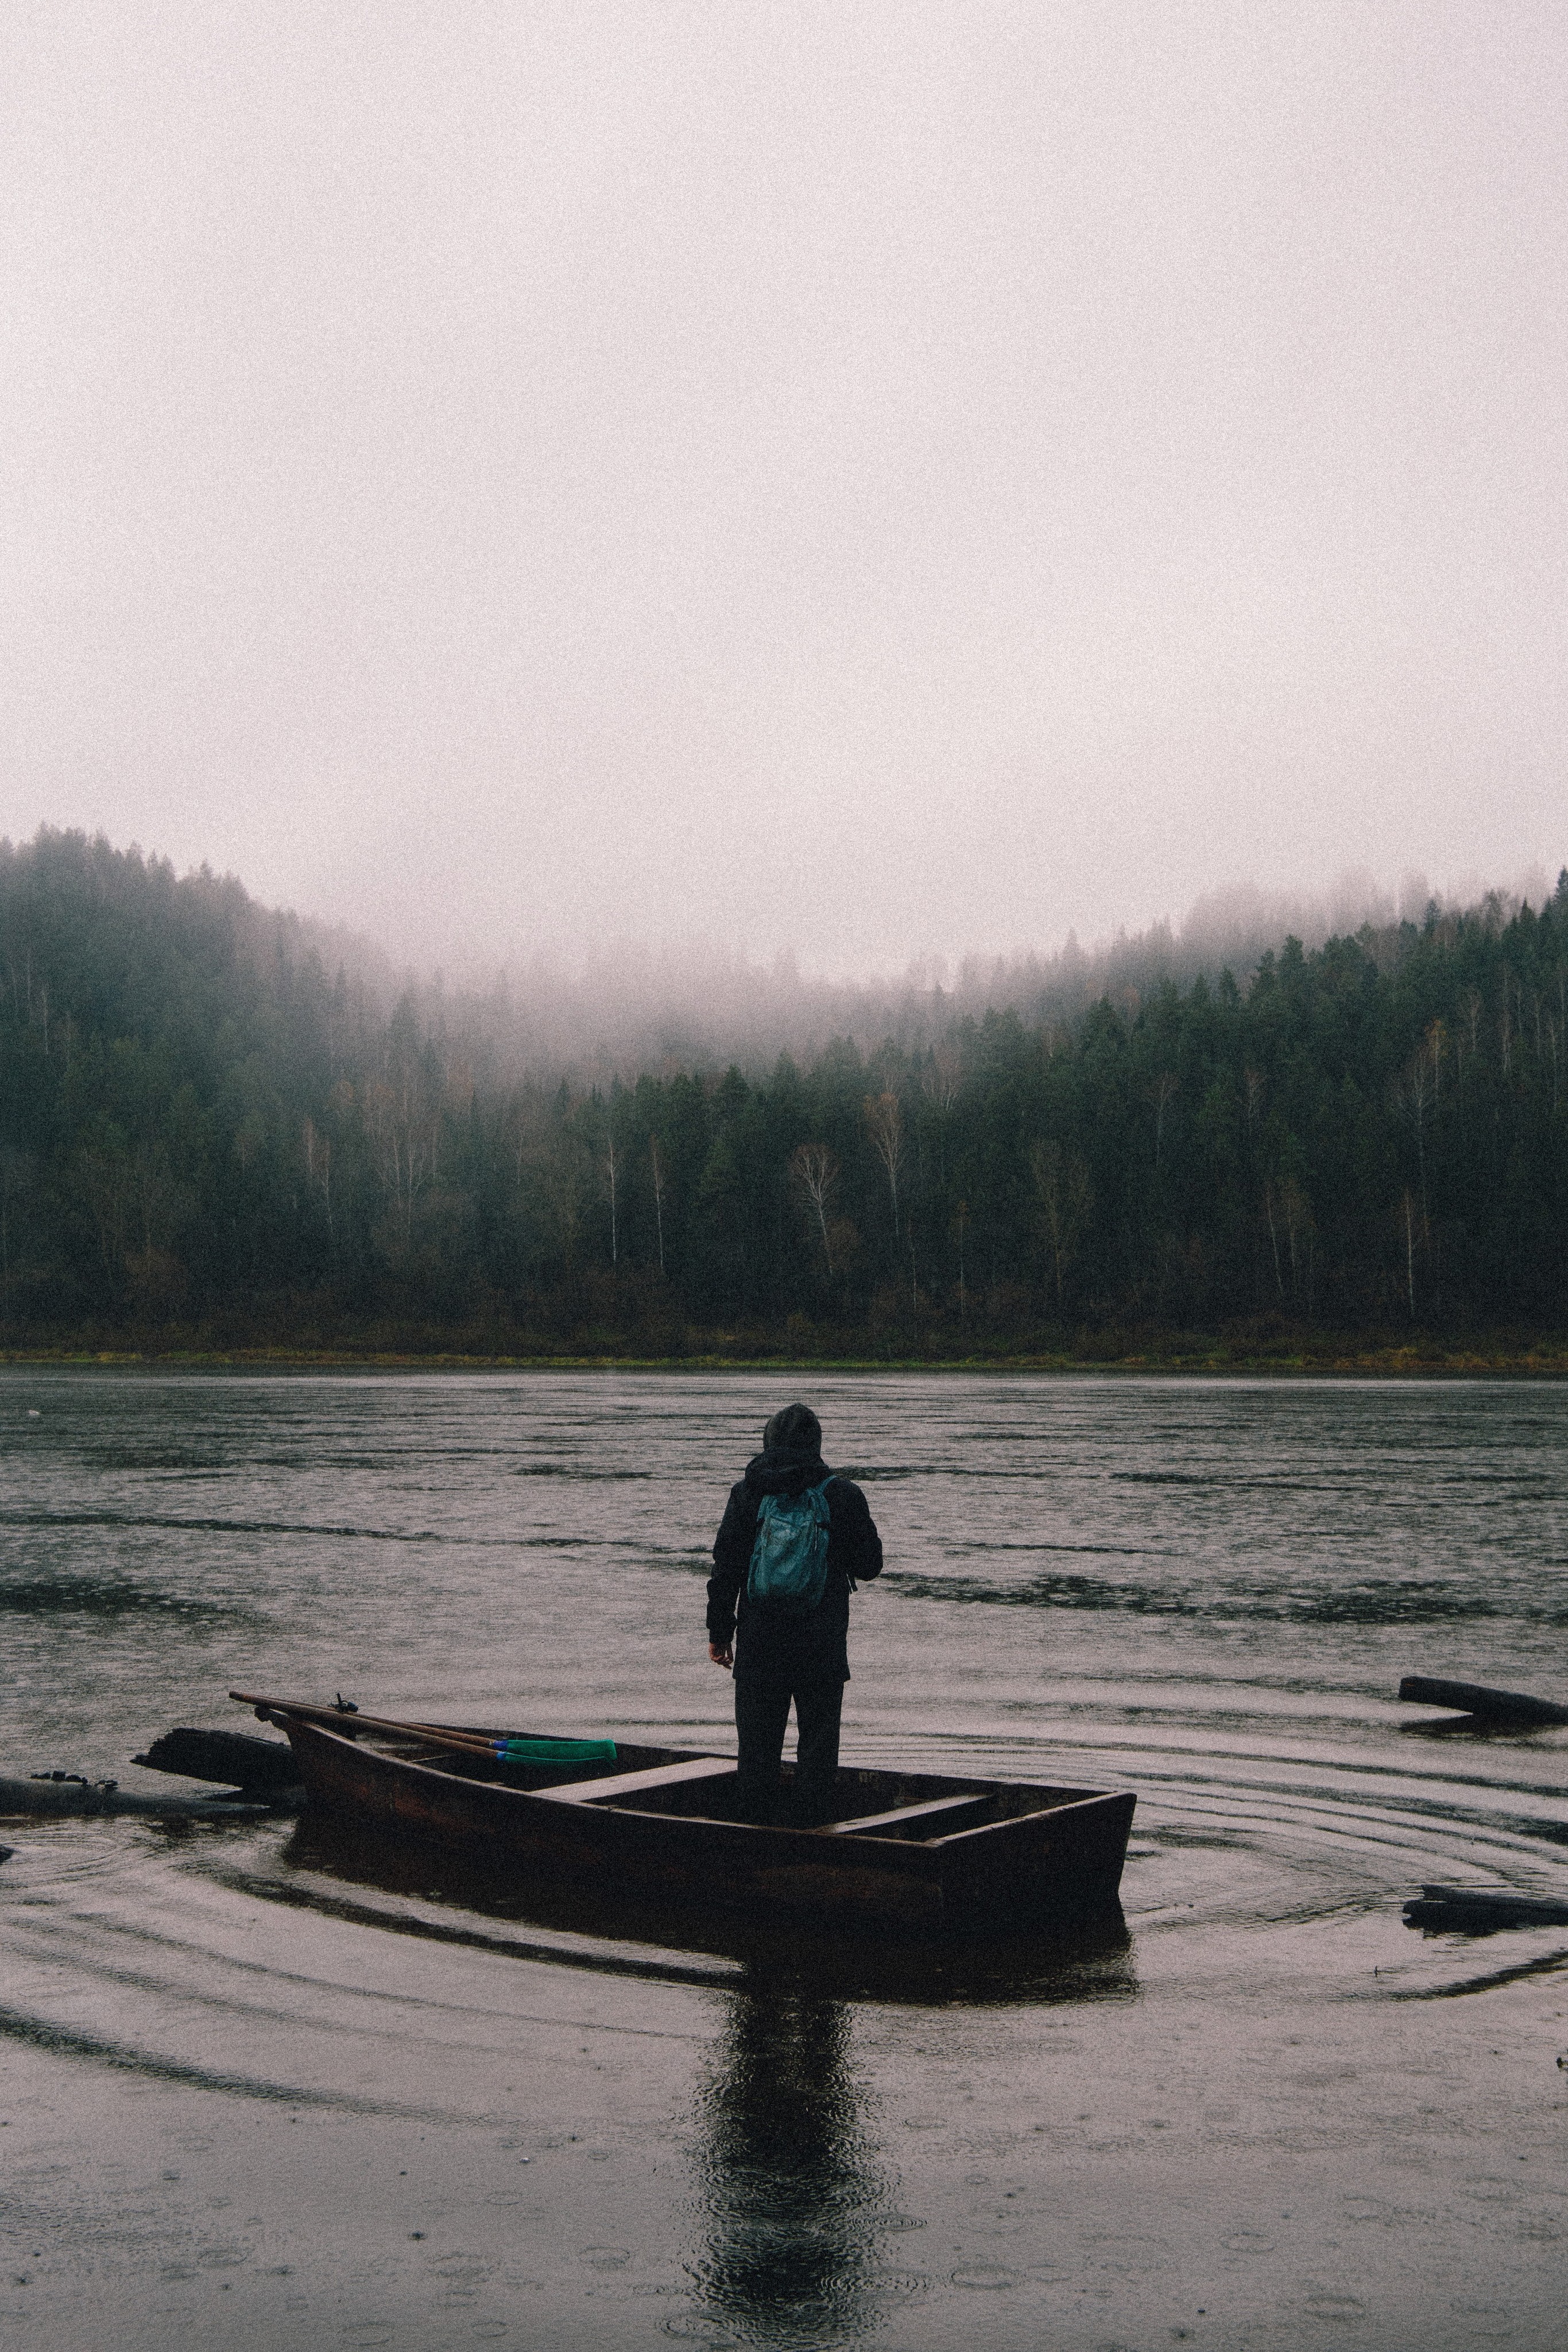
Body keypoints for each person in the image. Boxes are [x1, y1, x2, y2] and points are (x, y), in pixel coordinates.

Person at [707, 1401, 882, 1826]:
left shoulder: (747, 1493)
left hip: (759, 1642)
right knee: (818, 1750)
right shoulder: (842, 1494)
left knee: (757, 1750)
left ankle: (753, 1837)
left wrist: (719, 1633)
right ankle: (815, 1835)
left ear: (767, 1442)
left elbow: (725, 1568)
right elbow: (870, 1567)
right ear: (817, 1444)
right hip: (821, 1644)